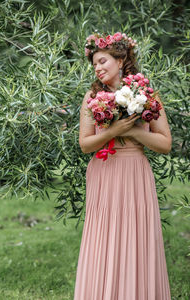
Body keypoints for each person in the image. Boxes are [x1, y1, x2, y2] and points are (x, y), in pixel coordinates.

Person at [74, 32, 172, 300]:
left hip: (135, 172)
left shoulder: (147, 94)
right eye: (94, 64)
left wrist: (134, 133)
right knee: (103, 238)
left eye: (102, 61)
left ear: (120, 60)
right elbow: (85, 144)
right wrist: (113, 130)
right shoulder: (91, 97)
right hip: (104, 173)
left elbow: (165, 143)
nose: (98, 68)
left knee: (136, 236)